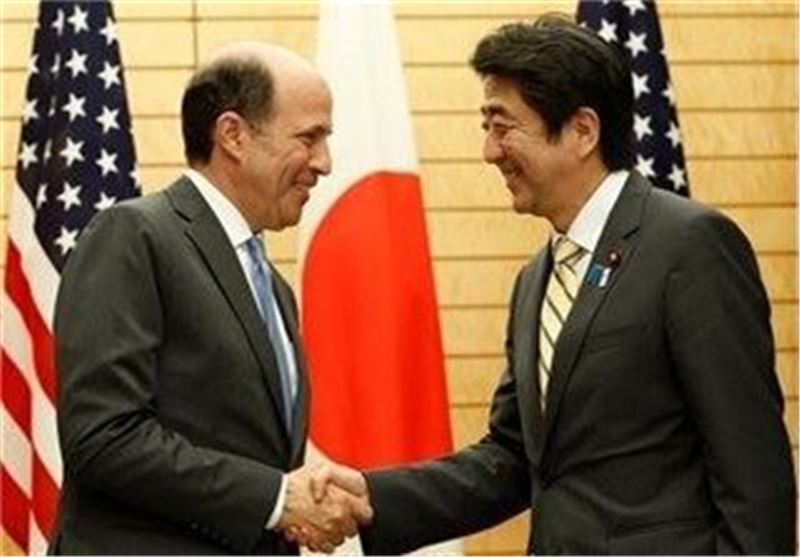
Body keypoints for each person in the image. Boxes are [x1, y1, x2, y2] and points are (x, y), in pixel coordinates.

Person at [309, 15, 796, 555]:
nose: (489, 151)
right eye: (486, 127)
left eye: (503, 126)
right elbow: (513, 459)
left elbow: (753, 470)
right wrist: (372, 496)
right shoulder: (535, 280)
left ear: (582, 131)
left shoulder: (689, 246)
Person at [50, 42, 371, 555]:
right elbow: (104, 436)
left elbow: (253, 453)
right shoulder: (135, 235)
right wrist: (275, 498)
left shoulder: (274, 288)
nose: (325, 163)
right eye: (309, 138)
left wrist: (294, 500)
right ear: (233, 135)